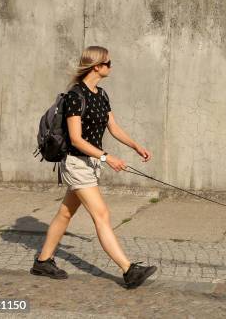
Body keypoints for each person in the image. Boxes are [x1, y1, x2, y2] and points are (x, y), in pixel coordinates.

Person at [30, 45, 157, 289]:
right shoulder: (75, 96)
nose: (111, 66)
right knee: (102, 215)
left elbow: (114, 127)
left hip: (90, 163)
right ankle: (128, 270)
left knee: (66, 213)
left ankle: (43, 261)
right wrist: (107, 157)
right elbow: (76, 139)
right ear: (96, 66)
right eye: (108, 63)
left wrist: (135, 146)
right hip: (77, 163)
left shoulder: (101, 94)